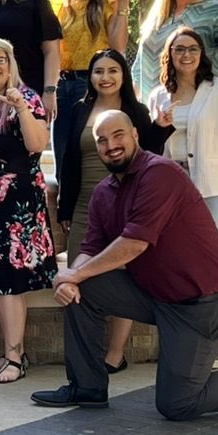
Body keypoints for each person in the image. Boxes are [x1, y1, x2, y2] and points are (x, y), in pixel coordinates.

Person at [32, 110, 218, 420]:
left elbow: (134, 244)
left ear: (135, 136)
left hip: (205, 306)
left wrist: (74, 272)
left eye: (118, 135)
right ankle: (87, 387)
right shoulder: (104, 193)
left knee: (177, 404)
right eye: (102, 140)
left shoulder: (160, 174)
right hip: (159, 299)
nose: (111, 145)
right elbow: (90, 248)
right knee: (82, 287)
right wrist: (71, 280)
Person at [56, 49, 168, 373]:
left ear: (123, 75)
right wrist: (65, 205)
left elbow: (150, 155)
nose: (105, 77)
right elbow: (67, 159)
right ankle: (83, 358)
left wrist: (161, 128)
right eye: (98, 71)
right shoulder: (78, 110)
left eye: (112, 70)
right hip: (83, 208)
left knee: (122, 279)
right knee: (76, 280)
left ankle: (114, 355)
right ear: (90, 77)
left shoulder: (136, 111)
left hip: (125, 205)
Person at [0, 38, 56, 384]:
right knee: (1, 281)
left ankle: (15, 359)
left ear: (10, 62)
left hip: (19, 201)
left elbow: (36, 145)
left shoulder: (27, 97)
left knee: (12, 283)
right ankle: (10, 351)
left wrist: (19, 107)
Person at [148, 27, 218, 247]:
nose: (186, 55)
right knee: (178, 252)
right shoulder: (158, 95)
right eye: (179, 49)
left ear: (201, 53)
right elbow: (151, 147)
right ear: (169, 55)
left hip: (215, 185)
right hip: (172, 186)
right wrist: (159, 125)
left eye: (193, 49)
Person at [51, 0, 134, 176]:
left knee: (91, 154)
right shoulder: (58, 5)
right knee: (63, 156)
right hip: (62, 86)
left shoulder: (109, 1)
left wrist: (123, 4)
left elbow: (118, 46)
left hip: (92, 83)